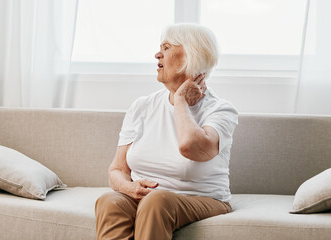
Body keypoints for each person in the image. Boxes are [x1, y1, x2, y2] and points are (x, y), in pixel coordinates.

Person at [95, 23, 238, 240]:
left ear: (192, 56)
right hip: (150, 198)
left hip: (203, 199)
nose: (157, 54)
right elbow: (117, 170)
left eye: (167, 47)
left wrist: (180, 100)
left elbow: (190, 147)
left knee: (157, 201)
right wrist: (131, 188)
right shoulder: (141, 107)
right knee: (109, 201)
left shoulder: (220, 110)